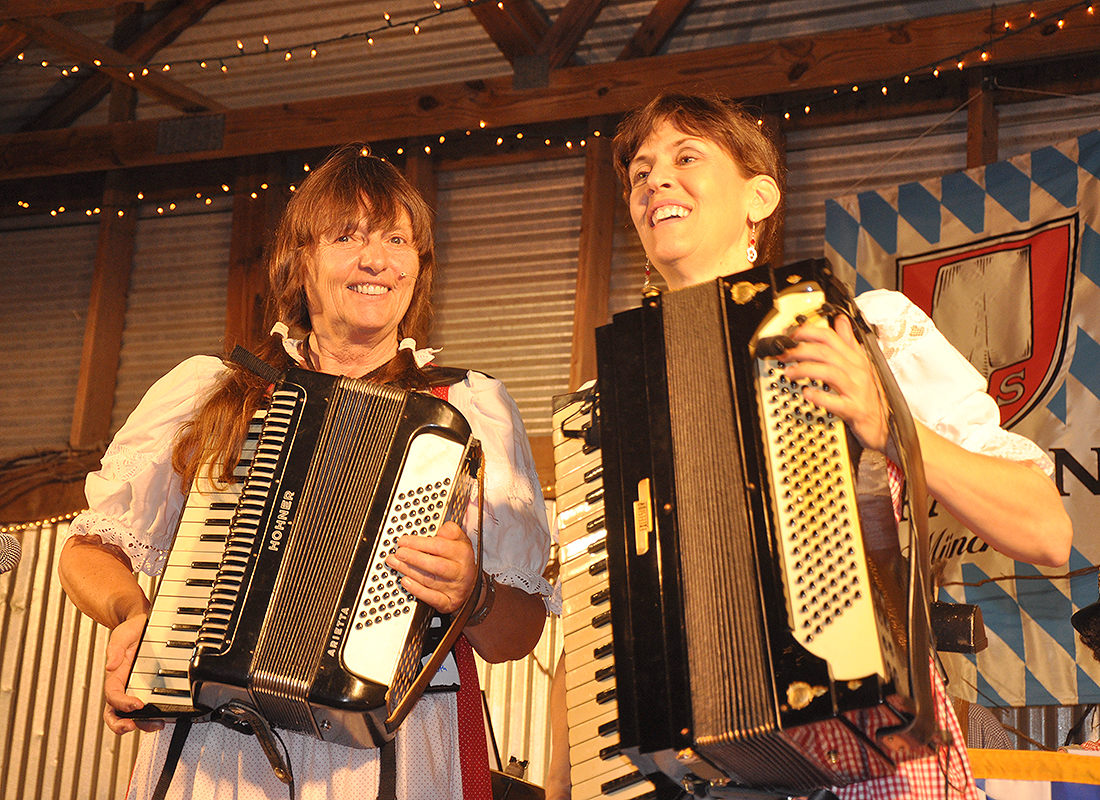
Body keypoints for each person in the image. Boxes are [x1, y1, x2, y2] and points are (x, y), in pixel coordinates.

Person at [608, 92, 1072, 799]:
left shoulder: (860, 327)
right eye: (639, 173)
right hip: (700, 759)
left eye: (685, 158)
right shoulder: (622, 392)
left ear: (758, 196)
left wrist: (890, 428)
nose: (655, 182)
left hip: (869, 742)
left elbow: (1047, 530)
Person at [57, 143, 555, 800]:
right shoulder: (214, 392)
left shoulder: (468, 409)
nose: (376, 259)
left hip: (392, 752)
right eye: (347, 236)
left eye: (397, 241)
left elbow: (519, 634)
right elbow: (88, 550)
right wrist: (131, 614)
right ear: (300, 263)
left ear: (418, 267)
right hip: (217, 748)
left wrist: (474, 595)